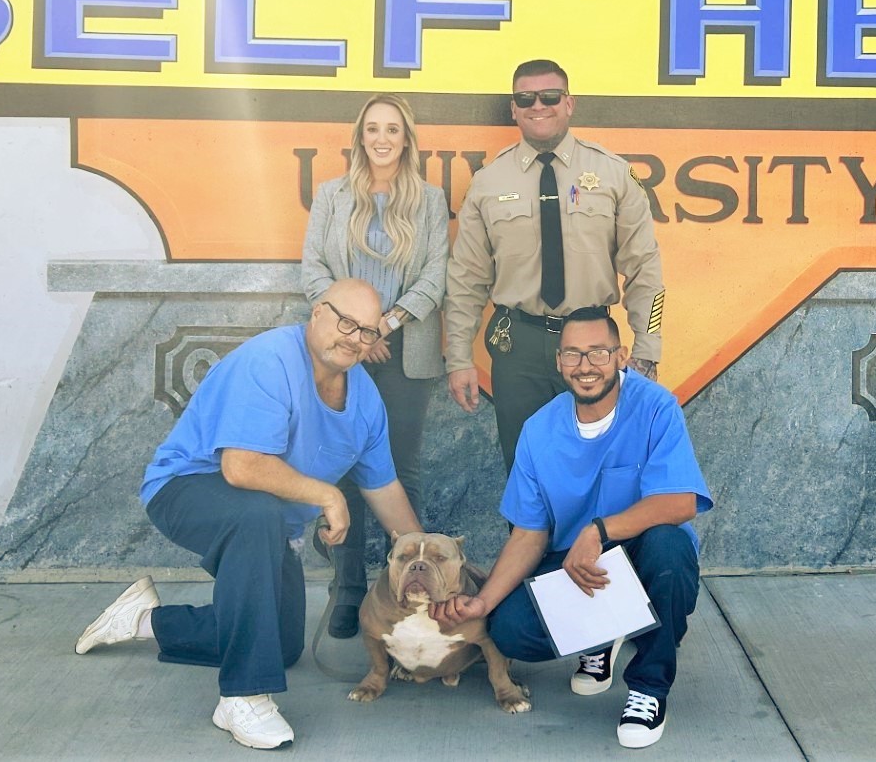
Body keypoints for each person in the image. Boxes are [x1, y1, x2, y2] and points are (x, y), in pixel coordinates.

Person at [73, 278, 421, 751]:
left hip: (265, 518)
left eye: (367, 332)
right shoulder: (269, 361)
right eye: (345, 322)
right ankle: (241, 696)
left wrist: (427, 560)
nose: (355, 339)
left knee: (278, 644)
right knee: (256, 514)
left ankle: (145, 621)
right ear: (317, 312)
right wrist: (328, 496)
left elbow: (384, 489)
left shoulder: (366, 402)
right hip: (186, 487)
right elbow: (241, 467)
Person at [431, 307, 712, 749]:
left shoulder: (656, 406)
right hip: (574, 569)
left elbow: (679, 502)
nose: (586, 366)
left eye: (598, 353)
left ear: (620, 356)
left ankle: (648, 688)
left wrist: (597, 530)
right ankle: (603, 632)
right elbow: (528, 534)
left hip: (644, 557)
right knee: (509, 628)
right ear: (559, 361)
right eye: (573, 355)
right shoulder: (538, 430)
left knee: (670, 546)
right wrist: (481, 602)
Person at [444, 59, 666, 469]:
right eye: (525, 98)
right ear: (513, 108)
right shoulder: (488, 182)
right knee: (524, 467)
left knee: (598, 465)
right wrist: (458, 357)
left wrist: (648, 348)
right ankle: (528, 537)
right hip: (519, 346)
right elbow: (465, 280)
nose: (538, 106)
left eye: (550, 96)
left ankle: (591, 538)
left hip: (593, 345)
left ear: (569, 103)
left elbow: (645, 271)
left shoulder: (613, 174)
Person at [301, 93, 448, 640]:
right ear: (359, 137)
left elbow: (437, 272)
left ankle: (403, 593)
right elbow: (312, 267)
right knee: (343, 469)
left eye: (392, 129)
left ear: (406, 138)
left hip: (404, 354)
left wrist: (383, 326)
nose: (382, 139)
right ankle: (349, 589)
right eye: (372, 129)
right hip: (343, 354)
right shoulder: (332, 196)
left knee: (399, 472)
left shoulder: (430, 199)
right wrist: (354, 333)